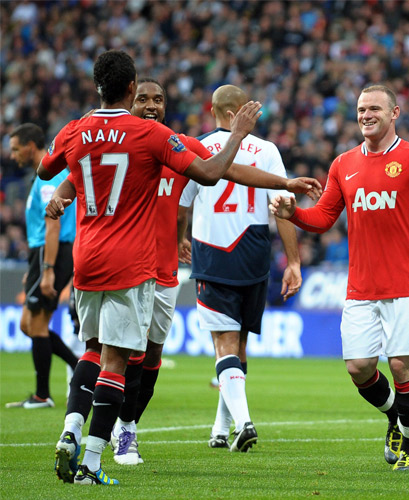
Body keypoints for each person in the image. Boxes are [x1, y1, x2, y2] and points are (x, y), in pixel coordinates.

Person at [48, 79, 321, 465]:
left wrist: (284, 182)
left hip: (162, 272)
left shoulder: (174, 145)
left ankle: (122, 427)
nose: (151, 105)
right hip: (129, 266)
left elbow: (228, 170)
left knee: (148, 358)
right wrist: (59, 200)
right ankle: (103, 437)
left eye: (158, 99)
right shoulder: (121, 145)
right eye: (143, 99)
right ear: (129, 101)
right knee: (115, 352)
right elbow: (71, 182)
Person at [40, 50, 261, 486]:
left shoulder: (74, 129)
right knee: (117, 361)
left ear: (97, 87)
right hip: (131, 263)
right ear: (130, 88)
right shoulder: (149, 135)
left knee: (92, 349)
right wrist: (236, 134)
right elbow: (210, 173)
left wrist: (67, 189)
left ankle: (70, 430)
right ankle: (92, 462)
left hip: (86, 259)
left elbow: (47, 168)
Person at [271, 84, 409, 471]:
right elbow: (323, 218)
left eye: (375, 108)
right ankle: (394, 416)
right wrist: (293, 213)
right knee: (359, 368)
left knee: (402, 366)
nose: (366, 115)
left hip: (408, 287)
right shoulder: (343, 164)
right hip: (361, 288)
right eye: (361, 109)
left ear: (394, 113)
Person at [178, 84, 305, 454]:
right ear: (237, 113)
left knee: (224, 343)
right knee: (239, 344)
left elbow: (181, 205)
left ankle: (244, 422)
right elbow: (283, 207)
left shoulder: (198, 148)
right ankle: (221, 427)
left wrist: (179, 239)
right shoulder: (267, 150)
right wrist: (293, 261)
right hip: (254, 253)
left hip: (213, 253)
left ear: (215, 111)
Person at [5, 124, 78, 409]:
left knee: (36, 325)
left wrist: (47, 270)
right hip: (44, 255)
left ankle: (42, 394)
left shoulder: (50, 180)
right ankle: (79, 367)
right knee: (28, 324)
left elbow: (52, 225)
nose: (13, 156)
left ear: (31, 146)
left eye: (16, 149)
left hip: (53, 253)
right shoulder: (43, 178)